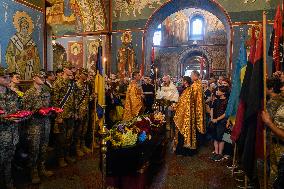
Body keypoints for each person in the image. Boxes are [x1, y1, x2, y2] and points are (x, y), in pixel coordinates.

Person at [22, 71, 54, 184]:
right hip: (34, 124)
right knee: (34, 149)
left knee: (44, 147)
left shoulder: (46, 91)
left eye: (44, 77)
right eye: (41, 77)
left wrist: (50, 111)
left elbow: (50, 105)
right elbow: (25, 111)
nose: (43, 79)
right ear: (34, 78)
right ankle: (33, 172)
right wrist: (36, 111)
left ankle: (42, 168)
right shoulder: (29, 93)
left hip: (46, 122)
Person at [52, 61, 78, 167]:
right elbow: (55, 101)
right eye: (69, 68)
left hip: (70, 114)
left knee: (69, 137)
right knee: (61, 139)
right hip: (62, 115)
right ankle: (60, 158)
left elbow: (74, 98)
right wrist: (58, 116)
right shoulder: (57, 83)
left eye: (72, 68)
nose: (72, 70)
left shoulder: (71, 83)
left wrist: (75, 112)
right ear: (64, 70)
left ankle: (66, 155)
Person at [174, 71, 206, 155]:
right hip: (192, 111)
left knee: (187, 130)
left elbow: (188, 101)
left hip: (189, 112)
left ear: (195, 76)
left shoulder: (195, 86)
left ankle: (187, 149)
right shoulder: (196, 85)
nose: (191, 77)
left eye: (191, 75)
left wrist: (177, 106)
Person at [0, 67, 21, 189]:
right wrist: (4, 119)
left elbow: (17, 111)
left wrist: (20, 117)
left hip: (12, 133)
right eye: (4, 77)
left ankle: (8, 182)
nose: (8, 79)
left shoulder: (13, 94)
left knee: (9, 160)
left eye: (8, 76)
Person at [210, 86, 230, 161]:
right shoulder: (216, 100)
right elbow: (212, 109)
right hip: (214, 121)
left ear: (224, 92)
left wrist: (217, 119)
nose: (217, 91)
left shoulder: (227, 101)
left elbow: (226, 113)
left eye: (219, 90)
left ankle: (220, 153)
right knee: (215, 137)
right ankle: (216, 152)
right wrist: (212, 119)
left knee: (221, 138)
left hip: (222, 122)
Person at [75, 69, 92, 156]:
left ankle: (83, 145)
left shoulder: (86, 85)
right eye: (84, 74)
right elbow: (75, 100)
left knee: (85, 129)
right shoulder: (76, 85)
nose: (86, 76)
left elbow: (87, 98)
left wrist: (92, 97)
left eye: (86, 74)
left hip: (86, 109)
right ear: (80, 74)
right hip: (79, 111)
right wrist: (76, 112)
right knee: (79, 130)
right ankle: (77, 147)